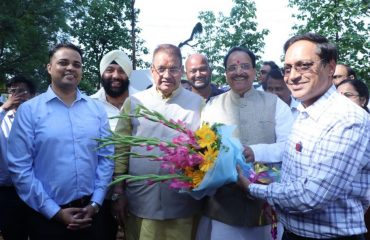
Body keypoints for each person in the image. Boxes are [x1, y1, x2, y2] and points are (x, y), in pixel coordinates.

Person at [237, 33, 370, 239]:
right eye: (288, 68)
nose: (293, 76)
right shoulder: (304, 111)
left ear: (330, 67)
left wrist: (252, 188)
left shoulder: (346, 118)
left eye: (304, 65)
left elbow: (312, 195)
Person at [6, 42, 114, 240]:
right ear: (49, 67)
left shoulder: (96, 110)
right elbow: (20, 168)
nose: (71, 68)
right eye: (63, 62)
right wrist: (54, 212)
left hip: (92, 214)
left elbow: (106, 157)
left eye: (77, 64)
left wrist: (96, 203)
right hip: (46, 218)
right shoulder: (29, 111)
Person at [197, 46, 293, 240]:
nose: (238, 72)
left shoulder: (276, 104)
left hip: (265, 204)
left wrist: (255, 152)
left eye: (245, 67)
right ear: (225, 74)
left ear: (255, 72)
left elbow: (289, 147)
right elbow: (203, 150)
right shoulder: (212, 106)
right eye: (232, 67)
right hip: (224, 206)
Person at [113, 44, 204, 240]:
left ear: (181, 71)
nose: (167, 75)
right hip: (141, 199)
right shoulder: (135, 102)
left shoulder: (197, 104)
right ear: (152, 71)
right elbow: (121, 147)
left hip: (182, 201)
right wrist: (118, 191)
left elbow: (206, 150)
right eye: (161, 69)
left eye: (173, 69)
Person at [90, 49, 133, 239]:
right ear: (102, 74)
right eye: (110, 70)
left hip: (136, 190)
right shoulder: (88, 105)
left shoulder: (143, 101)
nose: (115, 76)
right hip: (97, 195)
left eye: (121, 70)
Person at [0, 75, 36, 240]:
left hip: (36, 188)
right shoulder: (2, 118)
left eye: (22, 91)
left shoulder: (39, 118)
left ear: (32, 95)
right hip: (8, 190)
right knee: (13, 233)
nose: (16, 96)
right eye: (12, 91)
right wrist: (3, 108)